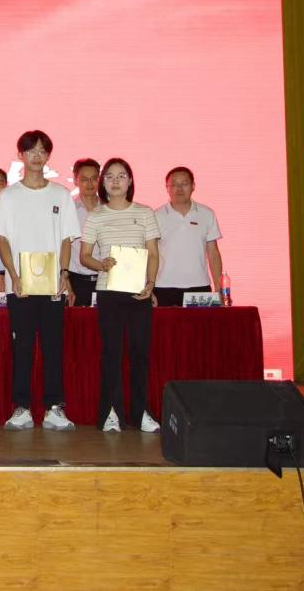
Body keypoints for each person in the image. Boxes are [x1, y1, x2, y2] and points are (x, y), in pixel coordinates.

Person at [0, 131, 81, 432]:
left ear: (48, 156)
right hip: (20, 286)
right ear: (21, 155)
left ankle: (55, 408)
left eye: (42, 151)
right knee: (23, 347)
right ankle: (22, 408)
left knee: (53, 346)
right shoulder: (8, 196)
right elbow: (2, 239)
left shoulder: (60, 195)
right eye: (31, 151)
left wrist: (64, 273)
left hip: (53, 285)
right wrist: (14, 276)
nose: (37, 156)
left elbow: (67, 239)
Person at [80, 158, 161, 433]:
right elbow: (85, 256)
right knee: (112, 354)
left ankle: (141, 413)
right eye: (110, 176)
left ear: (130, 181)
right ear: (103, 183)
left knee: (140, 353)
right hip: (109, 292)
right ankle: (111, 412)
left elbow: (153, 253)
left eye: (122, 175)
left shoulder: (145, 213)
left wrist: (151, 283)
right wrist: (100, 264)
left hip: (139, 293)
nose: (116, 181)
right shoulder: (96, 216)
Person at [154, 166, 224, 307]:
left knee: (201, 323)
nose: (179, 189)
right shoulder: (156, 216)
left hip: (200, 287)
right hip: (163, 287)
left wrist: (219, 287)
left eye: (184, 184)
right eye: (174, 184)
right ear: (167, 188)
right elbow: (151, 254)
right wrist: (148, 287)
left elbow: (213, 253)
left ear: (193, 186)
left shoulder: (207, 214)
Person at [68, 159, 102, 306]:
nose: (90, 183)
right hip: (76, 280)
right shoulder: (68, 209)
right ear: (75, 180)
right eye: (84, 179)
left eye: (94, 178)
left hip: (105, 279)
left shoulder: (109, 208)